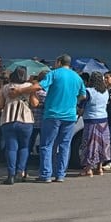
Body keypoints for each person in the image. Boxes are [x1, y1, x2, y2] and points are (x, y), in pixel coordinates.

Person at [16, 54, 86, 182]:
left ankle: (46, 174)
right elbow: (83, 95)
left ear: (59, 62)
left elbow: (39, 86)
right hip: (70, 115)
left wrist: (20, 91)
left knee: (47, 145)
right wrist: (73, 101)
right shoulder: (77, 77)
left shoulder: (54, 74)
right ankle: (60, 174)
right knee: (65, 145)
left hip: (52, 114)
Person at [0, 66, 34, 184]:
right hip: (26, 120)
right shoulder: (29, 87)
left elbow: (1, 105)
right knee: (24, 146)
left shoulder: (5, 88)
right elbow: (34, 103)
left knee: (11, 148)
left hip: (8, 119)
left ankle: (11, 175)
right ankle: (21, 170)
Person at [79, 71, 111, 177]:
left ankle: (88, 169)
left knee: (90, 144)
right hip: (103, 120)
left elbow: (82, 106)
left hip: (91, 120)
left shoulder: (88, 91)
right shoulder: (105, 91)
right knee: (102, 144)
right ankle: (100, 167)